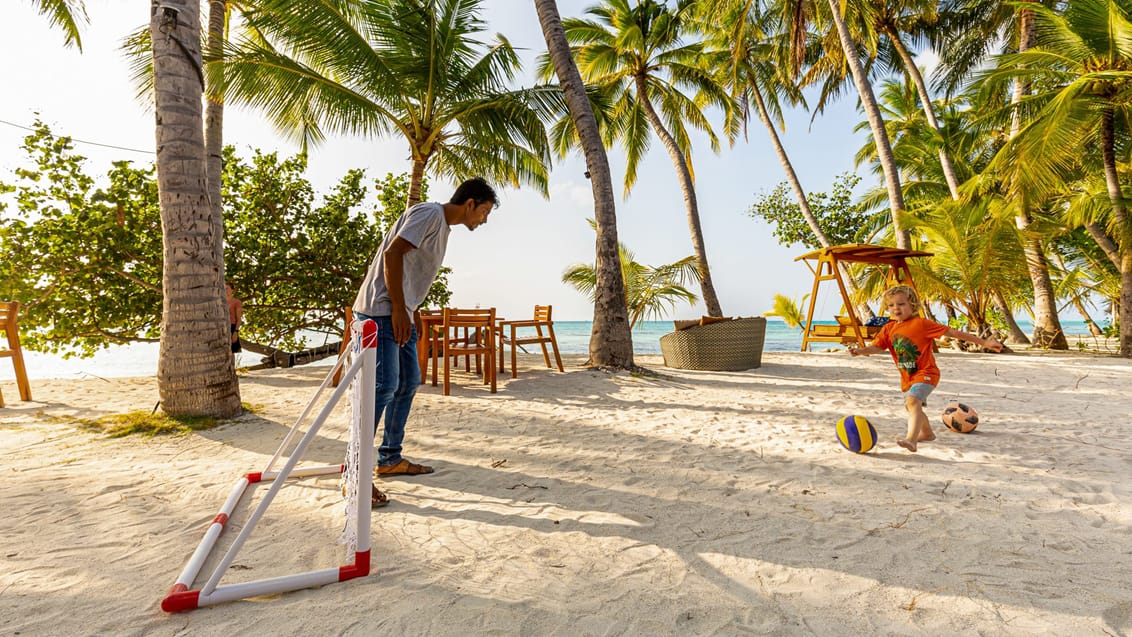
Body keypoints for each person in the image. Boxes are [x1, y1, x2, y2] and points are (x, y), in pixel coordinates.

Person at [352, 177, 498, 506]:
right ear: (470, 203)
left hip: (401, 312)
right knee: (384, 386)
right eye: (484, 212)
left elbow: (408, 267)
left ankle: (389, 459)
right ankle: (356, 473)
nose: (484, 220)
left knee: (409, 382)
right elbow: (393, 254)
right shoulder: (430, 214)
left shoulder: (442, 227)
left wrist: (409, 311)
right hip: (381, 311)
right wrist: (399, 310)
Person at [849, 285, 1004, 452]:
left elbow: (954, 333)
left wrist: (985, 342)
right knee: (910, 406)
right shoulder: (888, 328)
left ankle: (911, 439)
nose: (896, 308)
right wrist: (862, 351)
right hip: (908, 377)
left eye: (901, 304)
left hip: (927, 373)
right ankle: (927, 433)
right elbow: (878, 347)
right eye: (891, 305)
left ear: (913, 305)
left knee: (912, 401)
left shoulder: (921, 324)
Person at [226, 281, 243, 354]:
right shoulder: (220, 301)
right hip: (221, 327)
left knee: (232, 353)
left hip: (232, 327)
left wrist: (236, 332)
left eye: (227, 288)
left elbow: (239, 319)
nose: (225, 290)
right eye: (224, 288)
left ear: (232, 290)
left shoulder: (237, 302)